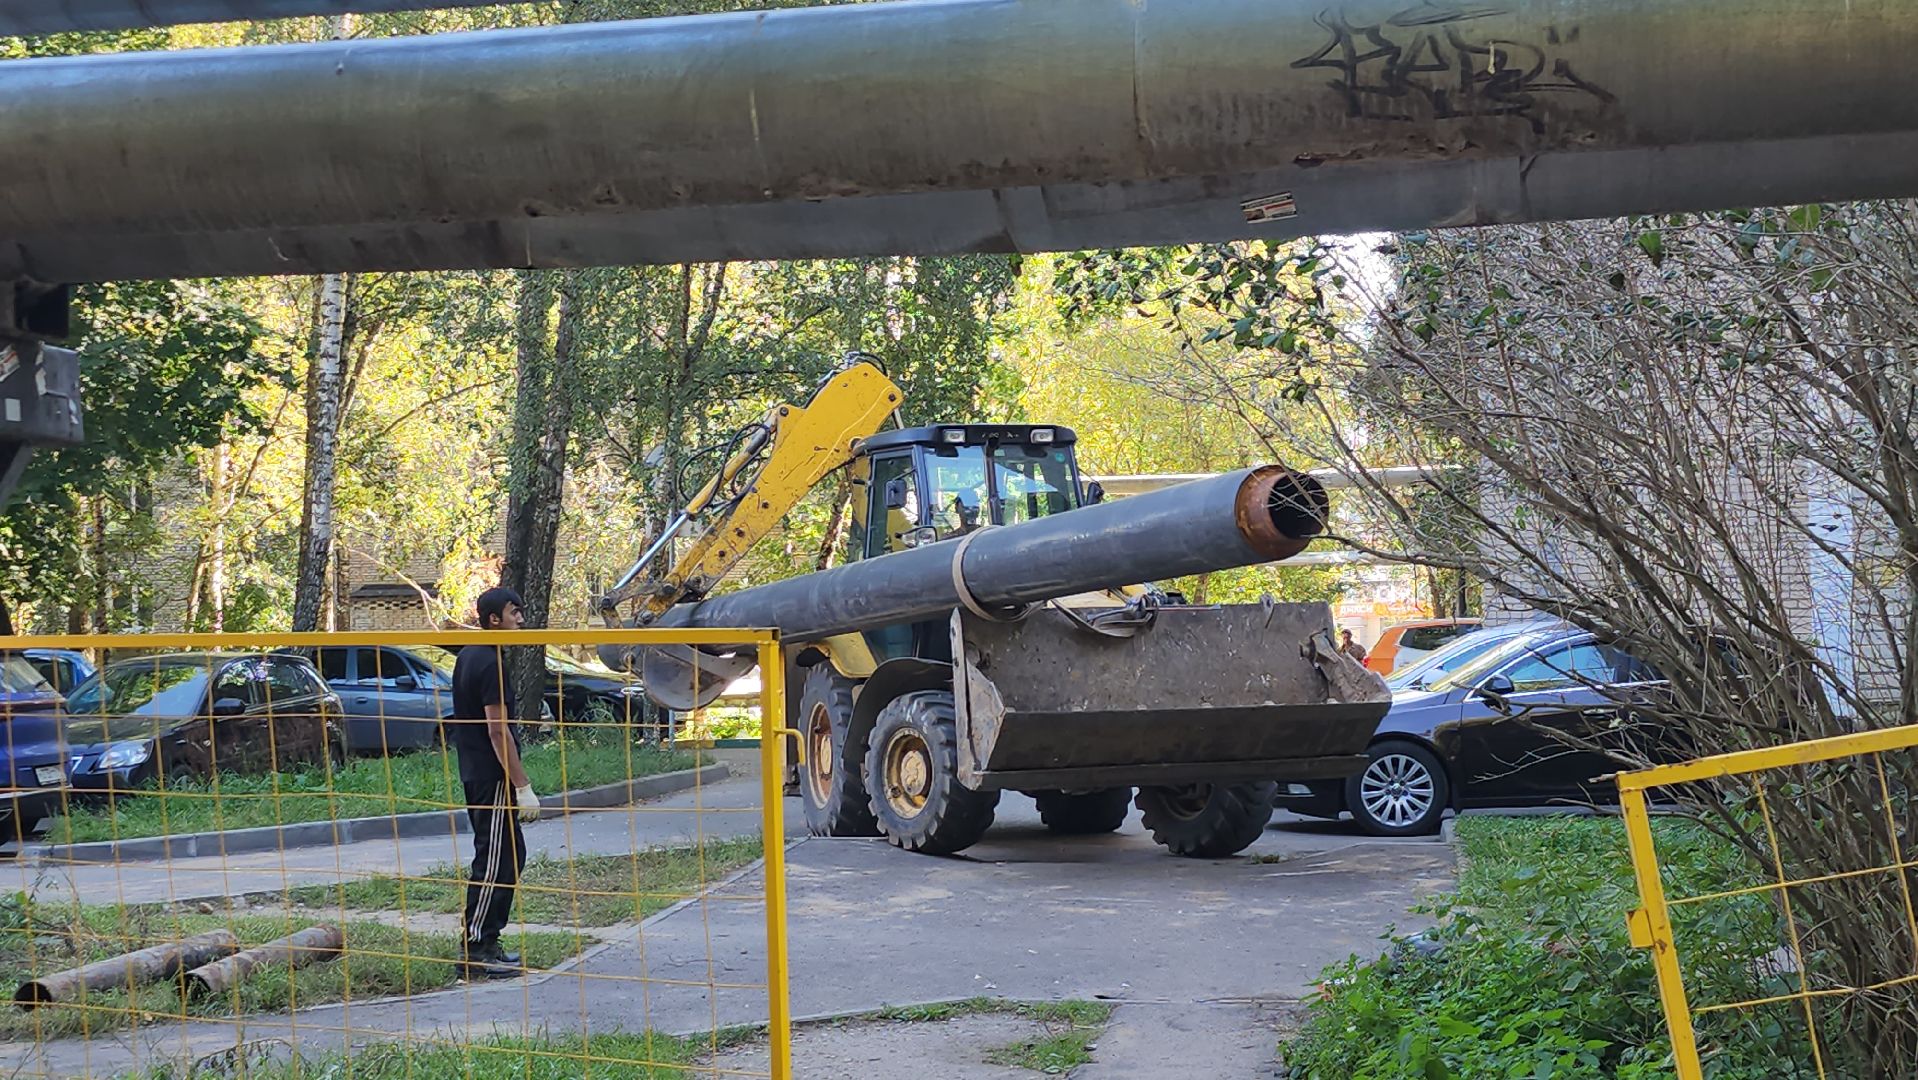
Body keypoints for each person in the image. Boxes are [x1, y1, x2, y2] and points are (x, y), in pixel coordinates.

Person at [449, 586, 542, 980]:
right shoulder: (490, 662)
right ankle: (477, 948)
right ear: (493, 620)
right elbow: (497, 731)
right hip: (492, 775)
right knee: (496, 861)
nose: (520, 618)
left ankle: (488, 940)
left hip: (480, 772)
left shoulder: (471, 654)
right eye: (513, 612)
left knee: (509, 856)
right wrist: (521, 786)